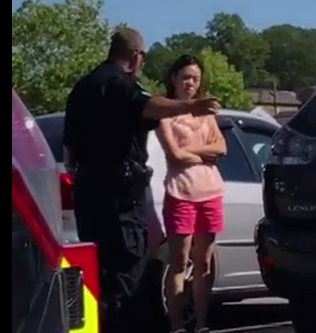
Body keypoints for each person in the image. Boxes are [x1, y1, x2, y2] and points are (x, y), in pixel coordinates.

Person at [63, 28, 220, 333]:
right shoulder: (121, 85)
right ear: (136, 57)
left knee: (98, 276)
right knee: (126, 277)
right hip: (120, 195)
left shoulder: (82, 88)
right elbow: (149, 106)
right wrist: (190, 105)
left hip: (87, 191)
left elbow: (69, 151)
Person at [156, 55, 226, 333]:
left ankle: (201, 324)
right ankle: (176, 326)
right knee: (179, 262)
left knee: (204, 262)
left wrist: (192, 154)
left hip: (210, 192)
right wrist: (203, 155)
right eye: (185, 77)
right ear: (174, 78)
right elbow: (173, 154)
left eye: (195, 78)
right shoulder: (164, 112)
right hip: (180, 192)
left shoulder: (206, 112)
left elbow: (221, 148)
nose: (190, 83)